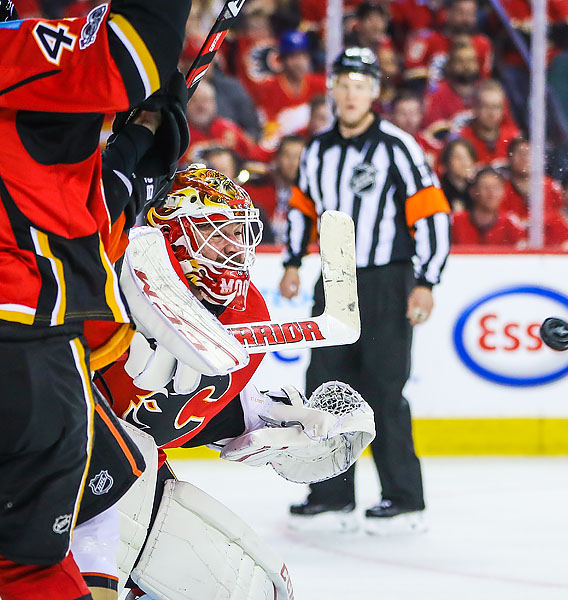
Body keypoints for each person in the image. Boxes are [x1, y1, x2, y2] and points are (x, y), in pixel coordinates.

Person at [72, 166, 374, 599]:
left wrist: (275, 422)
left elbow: (199, 411)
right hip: (60, 456)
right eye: (217, 233)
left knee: (251, 590)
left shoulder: (246, 309)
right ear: (172, 233)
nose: (233, 249)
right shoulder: (112, 280)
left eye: (239, 233)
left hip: (124, 466)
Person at [0, 1, 188, 599]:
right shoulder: (11, 52)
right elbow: (131, 50)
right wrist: (148, 117)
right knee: (27, 568)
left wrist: (136, 140)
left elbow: (53, 168)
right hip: (20, 342)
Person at [280, 47, 451, 533]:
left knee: (383, 388)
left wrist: (427, 281)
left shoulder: (399, 146)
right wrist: (292, 262)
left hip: (386, 281)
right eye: (344, 83)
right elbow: (301, 209)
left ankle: (403, 498)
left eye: (361, 84)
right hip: (332, 277)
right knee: (325, 388)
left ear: (374, 92)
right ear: (331, 89)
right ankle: (331, 494)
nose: (351, 93)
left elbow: (432, 214)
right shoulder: (316, 149)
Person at [451, 166, 526, 245]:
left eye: (496, 187)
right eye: (485, 187)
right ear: (473, 191)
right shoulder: (455, 222)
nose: (491, 193)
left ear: (504, 192)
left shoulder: (511, 224)